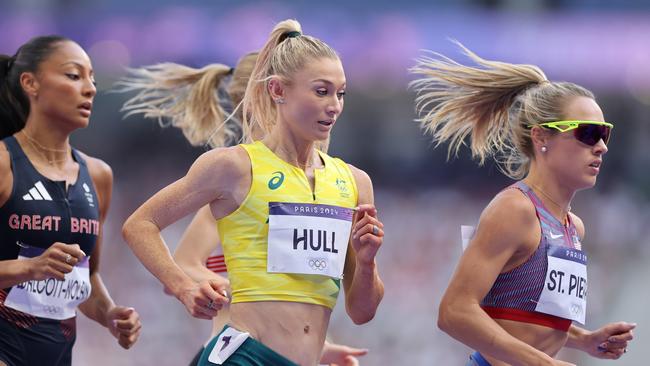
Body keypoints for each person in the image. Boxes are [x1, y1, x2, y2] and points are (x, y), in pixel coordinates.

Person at [121, 19, 384, 366]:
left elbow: (362, 312)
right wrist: (184, 286)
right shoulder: (233, 168)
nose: (334, 105)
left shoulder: (354, 182)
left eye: (341, 93)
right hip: (243, 356)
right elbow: (140, 225)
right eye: (321, 91)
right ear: (277, 90)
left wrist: (366, 263)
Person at [410, 43, 635, 366]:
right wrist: (544, 363)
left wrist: (585, 340)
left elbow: (527, 313)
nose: (601, 147)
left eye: (605, 135)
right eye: (588, 134)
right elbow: (453, 312)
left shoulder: (573, 226)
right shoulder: (515, 210)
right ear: (542, 137)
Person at [0, 36, 141, 366]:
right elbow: (38, 269)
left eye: (92, 77)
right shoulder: (4, 164)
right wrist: (29, 268)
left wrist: (110, 313)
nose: (90, 88)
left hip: (58, 355)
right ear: (30, 83)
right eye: (74, 75)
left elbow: (86, 278)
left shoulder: (98, 175)